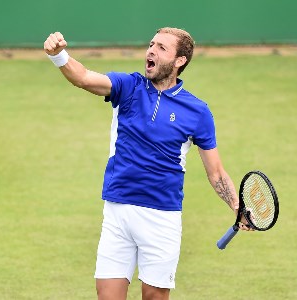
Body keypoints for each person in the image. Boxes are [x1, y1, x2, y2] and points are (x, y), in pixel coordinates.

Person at [43, 28, 251, 300]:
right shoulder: (128, 87)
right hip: (118, 211)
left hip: (161, 218)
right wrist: (59, 56)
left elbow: (216, 172)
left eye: (162, 48)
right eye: (151, 45)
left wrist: (237, 206)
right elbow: (83, 78)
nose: (151, 50)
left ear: (180, 61)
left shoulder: (197, 112)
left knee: (154, 296)